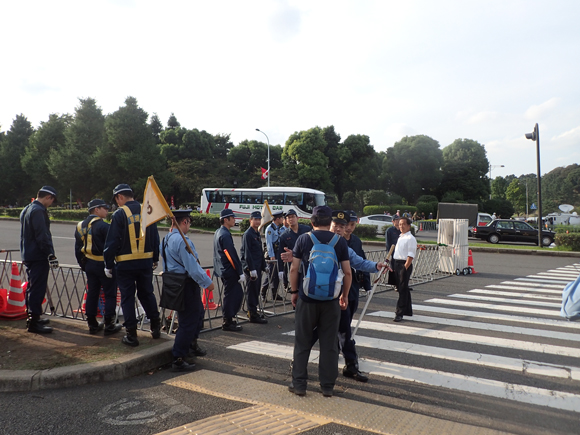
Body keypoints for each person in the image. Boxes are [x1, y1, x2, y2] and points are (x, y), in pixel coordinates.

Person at [289, 206, 352, 397]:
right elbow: (347, 272)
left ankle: (299, 384)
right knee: (329, 343)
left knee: (302, 341)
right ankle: (327, 386)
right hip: (331, 301)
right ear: (329, 222)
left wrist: (294, 291)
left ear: (312, 222)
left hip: (307, 299)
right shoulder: (339, 242)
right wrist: (345, 295)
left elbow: (294, 269)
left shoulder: (304, 239)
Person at [103, 184, 162, 347]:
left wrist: (108, 264)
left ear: (120, 197)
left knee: (128, 297)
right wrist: (155, 258)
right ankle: (156, 328)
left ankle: (131, 334)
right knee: (147, 294)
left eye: (116, 199)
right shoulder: (147, 211)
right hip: (145, 262)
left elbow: (112, 241)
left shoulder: (119, 214)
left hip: (125, 264)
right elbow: (155, 238)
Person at [160, 209, 214, 372]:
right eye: (189, 222)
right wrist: (208, 283)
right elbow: (192, 267)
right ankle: (178, 357)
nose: (189, 225)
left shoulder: (166, 238)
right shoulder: (182, 240)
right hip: (185, 283)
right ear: (184, 222)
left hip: (174, 282)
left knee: (197, 315)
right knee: (188, 321)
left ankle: (191, 345)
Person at [75, 199, 122, 336]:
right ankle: (109, 325)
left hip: (89, 263)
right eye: (105, 208)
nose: (107, 210)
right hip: (104, 264)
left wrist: (83, 265)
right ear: (97, 210)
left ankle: (92, 324)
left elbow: (77, 249)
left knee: (92, 293)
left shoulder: (80, 226)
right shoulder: (103, 226)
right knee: (110, 294)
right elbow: (113, 246)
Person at [20, 186, 58, 333]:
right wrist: (50, 254)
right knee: (37, 288)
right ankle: (34, 322)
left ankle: (33, 317)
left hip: (29, 254)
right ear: (48, 197)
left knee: (32, 287)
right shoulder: (38, 211)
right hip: (38, 255)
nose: (51, 203)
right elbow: (42, 236)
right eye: (52, 200)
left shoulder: (28, 208)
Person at [213, 208, 245, 331]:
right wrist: (239, 271)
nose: (234, 220)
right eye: (233, 218)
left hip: (222, 268)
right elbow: (231, 255)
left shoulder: (218, 232)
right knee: (232, 295)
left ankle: (229, 319)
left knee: (232, 294)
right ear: (226, 220)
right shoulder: (225, 234)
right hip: (229, 270)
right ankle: (227, 321)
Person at [241, 211, 268, 324]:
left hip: (257, 267)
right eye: (255, 219)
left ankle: (254, 311)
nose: (257, 221)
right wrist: (251, 269)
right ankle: (252, 314)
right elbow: (247, 253)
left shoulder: (256, 233)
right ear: (250, 220)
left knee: (256, 290)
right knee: (251, 291)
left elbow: (260, 253)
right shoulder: (248, 234)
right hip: (251, 268)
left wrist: (264, 266)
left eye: (258, 219)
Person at [277, 209, 311, 293]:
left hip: (308, 263)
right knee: (296, 288)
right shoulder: (284, 236)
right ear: (286, 221)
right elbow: (280, 253)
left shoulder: (307, 230)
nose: (291, 219)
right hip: (294, 265)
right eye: (288, 218)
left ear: (297, 218)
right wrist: (280, 270)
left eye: (293, 217)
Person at [392, 217, 417, 322]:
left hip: (404, 264)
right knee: (403, 287)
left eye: (403, 224)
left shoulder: (410, 238)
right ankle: (408, 310)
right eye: (400, 224)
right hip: (396, 263)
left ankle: (399, 312)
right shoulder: (401, 236)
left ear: (408, 226)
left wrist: (404, 268)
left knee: (402, 289)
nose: (401, 226)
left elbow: (410, 255)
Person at [261, 211, 285, 301]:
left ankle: (274, 294)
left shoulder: (278, 228)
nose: (283, 219)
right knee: (270, 274)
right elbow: (269, 243)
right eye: (282, 218)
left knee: (277, 274)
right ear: (277, 219)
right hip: (272, 254)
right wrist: (271, 255)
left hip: (278, 252)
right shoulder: (270, 229)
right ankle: (263, 293)